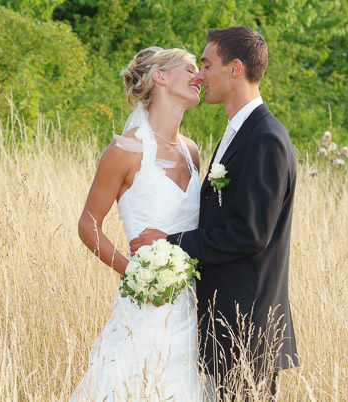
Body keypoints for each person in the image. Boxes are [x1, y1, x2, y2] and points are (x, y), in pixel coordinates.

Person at [130, 26, 299, 399]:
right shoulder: (238, 132)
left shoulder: (266, 138)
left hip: (248, 328)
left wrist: (170, 242)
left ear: (235, 68)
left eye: (206, 64)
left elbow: (251, 233)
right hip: (223, 325)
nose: (200, 75)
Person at [71, 46, 203, 401]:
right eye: (189, 69)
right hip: (144, 304)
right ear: (160, 77)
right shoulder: (126, 150)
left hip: (190, 307)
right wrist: (133, 273)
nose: (200, 77)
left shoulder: (192, 152)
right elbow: (88, 224)